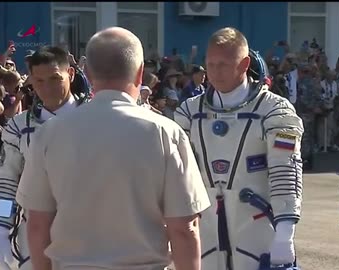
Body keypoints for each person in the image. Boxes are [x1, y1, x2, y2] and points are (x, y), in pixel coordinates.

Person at [15, 27, 210, 270]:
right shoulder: (165, 132)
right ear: (140, 74)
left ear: (85, 72)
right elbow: (184, 228)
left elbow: (37, 224)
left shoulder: (49, 133)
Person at [174, 27, 304, 270]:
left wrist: (285, 233)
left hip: (257, 230)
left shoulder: (274, 111)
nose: (214, 72)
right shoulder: (189, 113)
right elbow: (174, 176)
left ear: (244, 64)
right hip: (205, 233)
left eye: (223, 64)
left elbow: (285, 171)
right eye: (210, 64)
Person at [0, 46, 90, 270]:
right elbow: (8, 181)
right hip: (34, 235)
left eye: (55, 78)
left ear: (70, 74)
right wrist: (1, 229)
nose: (47, 88)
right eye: (39, 81)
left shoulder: (98, 120)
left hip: (91, 233)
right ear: (31, 80)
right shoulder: (19, 126)